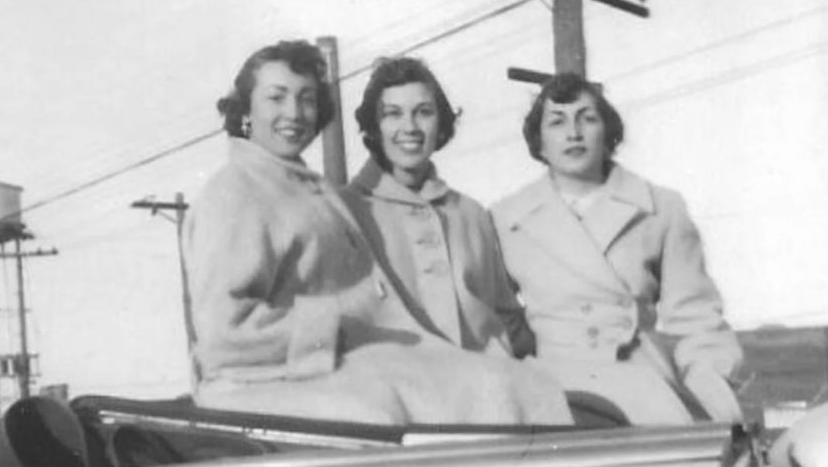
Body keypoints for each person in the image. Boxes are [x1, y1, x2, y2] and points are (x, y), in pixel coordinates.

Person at [181, 40, 572, 427]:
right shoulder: (233, 193)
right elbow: (221, 335)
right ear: (245, 110)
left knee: (506, 386)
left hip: (348, 362)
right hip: (271, 379)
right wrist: (336, 325)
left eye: (307, 99)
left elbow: (506, 318)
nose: (294, 113)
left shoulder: (303, 189)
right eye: (276, 98)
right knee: (435, 400)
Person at [490, 72, 743, 425]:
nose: (573, 133)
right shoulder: (507, 219)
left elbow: (696, 318)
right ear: (539, 141)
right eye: (557, 122)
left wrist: (709, 386)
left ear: (608, 133)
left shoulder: (661, 208)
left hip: (642, 383)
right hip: (550, 386)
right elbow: (496, 318)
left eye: (587, 118)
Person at [341, 56, 531, 357]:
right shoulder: (344, 211)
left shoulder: (471, 213)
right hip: (393, 389)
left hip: (485, 382)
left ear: (440, 122)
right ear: (373, 128)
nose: (410, 127)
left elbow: (507, 317)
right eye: (393, 114)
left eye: (424, 112)